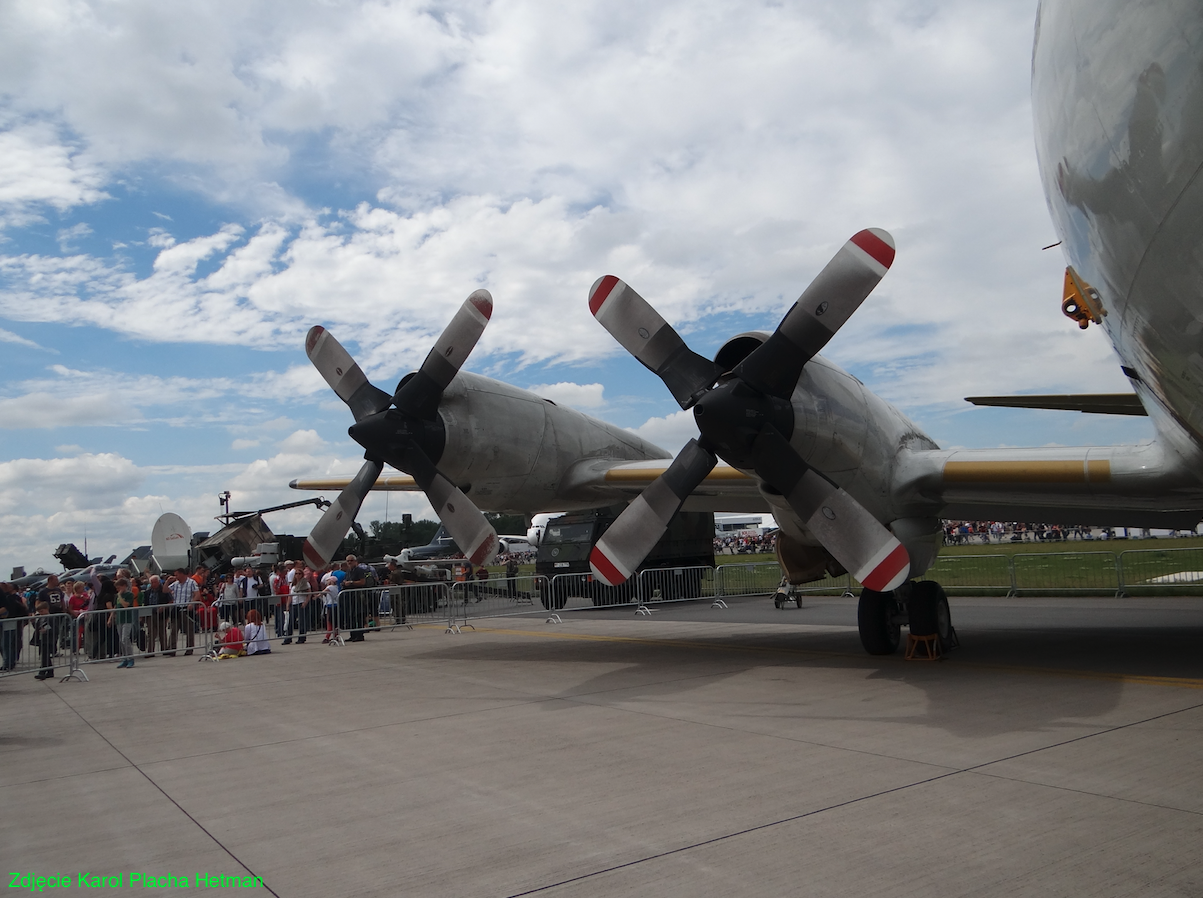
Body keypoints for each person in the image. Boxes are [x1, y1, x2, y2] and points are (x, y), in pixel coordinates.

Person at [167, 568, 198, 656]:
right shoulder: (175, 584)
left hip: (186, 608)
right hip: (177, 608)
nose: (175, 577)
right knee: (174, 629)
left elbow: (197, 594)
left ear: (182, 574)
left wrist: (191, 603)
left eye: (177, 575)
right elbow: (165, 590)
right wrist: (167, 581)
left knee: (189, 630)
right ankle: (171, 649)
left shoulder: (192, 582)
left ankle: (189, 649)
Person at [112, 578, 138, 668]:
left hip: (127, 619)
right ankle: (125, 658)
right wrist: (111, 617)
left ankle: (130, 658)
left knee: (125, 638)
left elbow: (125, 605)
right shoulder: (116, 596)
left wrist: (120, 596)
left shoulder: (129, 594)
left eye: (119, 588)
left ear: (124, 586)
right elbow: (115, 606)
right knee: (121, 640)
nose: (118, 590)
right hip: (119, 619)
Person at [283, 569, 309, 644]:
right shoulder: (292, 584)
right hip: (294, 603)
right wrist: (288, 604)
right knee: (290, 621)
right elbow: (290, 595)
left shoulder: (305, 583)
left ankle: (301, 638)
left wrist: (305, 602)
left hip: (301, 602)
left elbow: (309, 593)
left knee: (302, 622)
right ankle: (288, 638)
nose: (297, 575)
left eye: (299, 573)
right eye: (296, 573)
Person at [32, 600, 55, 680]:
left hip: (49, 639)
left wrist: (47, 630)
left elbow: (54, 629)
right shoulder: (40, 618)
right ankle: (50, 672)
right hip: (42, 639)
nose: (41, 613)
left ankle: (42, 672)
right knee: (45, 656)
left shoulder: (51, 618)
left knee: (45, 657)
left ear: (46, 609)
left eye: (42, 611)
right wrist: (33, 622)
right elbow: (37, 627)